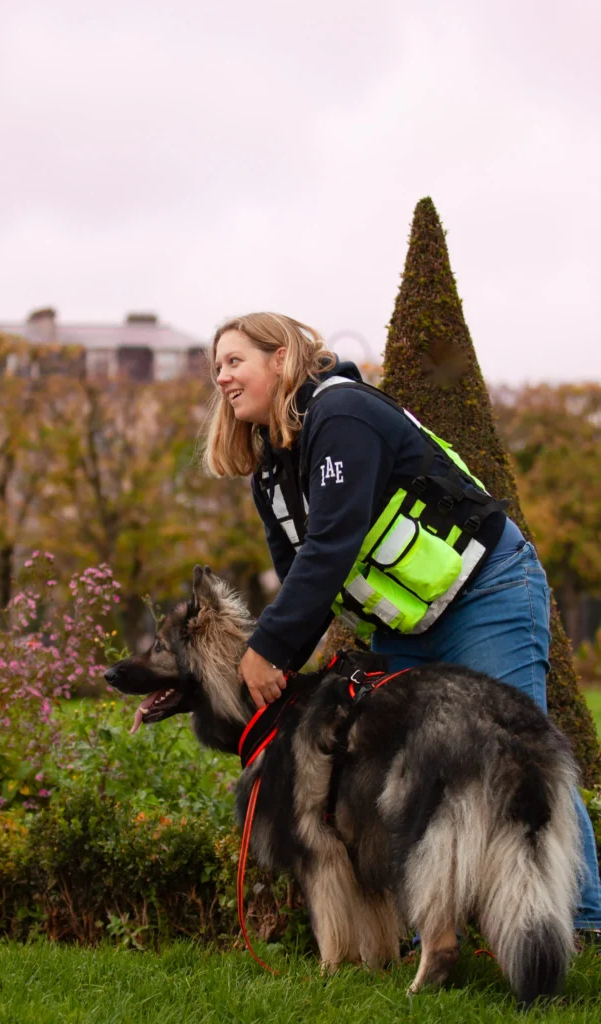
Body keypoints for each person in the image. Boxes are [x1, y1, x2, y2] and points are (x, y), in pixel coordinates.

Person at [204, 310, 601, 941]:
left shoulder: (341, 416)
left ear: (280, 358)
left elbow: (333, 543)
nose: (221, 376)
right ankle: (432, 934)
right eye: (215, 366)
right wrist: (280, 661)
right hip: (408, 626)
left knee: (520, 751)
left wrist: (267, 646)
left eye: (234, 360)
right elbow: (307, 575)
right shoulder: (273, 473)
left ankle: (581, 922)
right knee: (402, 768)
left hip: (487, 590)